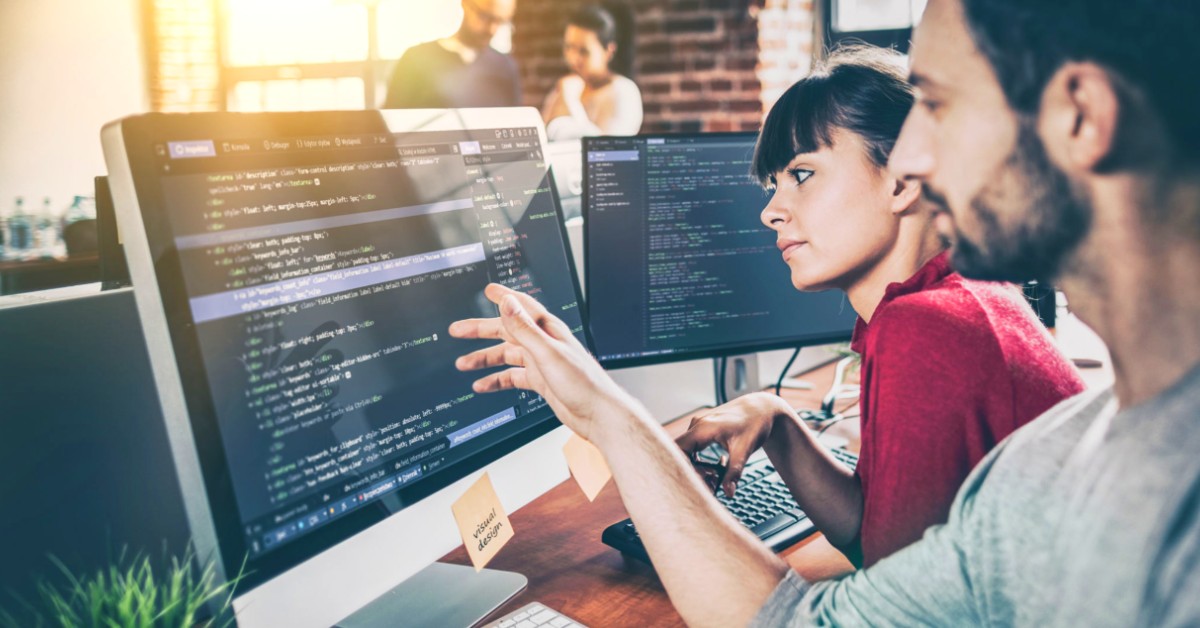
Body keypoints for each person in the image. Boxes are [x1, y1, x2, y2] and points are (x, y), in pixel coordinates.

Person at [449, 0, 1200, 624]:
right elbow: (879, 581)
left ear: (1080, 117)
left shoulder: (937, 328)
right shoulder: (1063, 454)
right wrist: (778, 421)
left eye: (937, 105)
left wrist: (615, 418)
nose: (912, 159)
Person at [675, 45, 1083, 569]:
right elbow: (874, 539)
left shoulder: (927, 328)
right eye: (772, 185)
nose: (770, 212)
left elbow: (889, 595)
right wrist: (778, 420)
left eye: (801, 174)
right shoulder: (956, 295)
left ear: (904, 178)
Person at [382, 0, 520, 109]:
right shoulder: (416, 58)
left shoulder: (505, 67)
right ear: (465, 4)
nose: (492, 29)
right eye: (485, 17)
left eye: (501, 21)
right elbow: (390, 125)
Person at [541, 4, 642, 138]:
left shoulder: (624, 91)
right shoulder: (564, 87)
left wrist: (570, 100)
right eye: (569, 47)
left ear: (608, 51)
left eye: (584, 51)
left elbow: (608, 150)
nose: (573, 59)